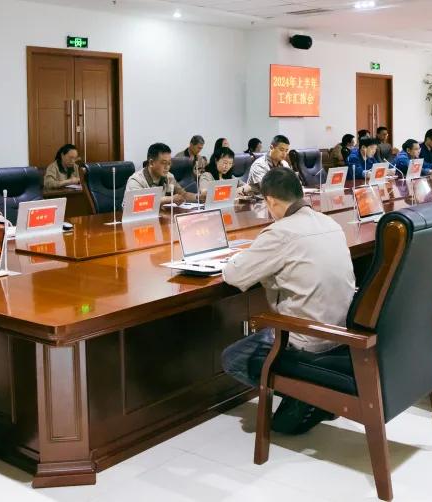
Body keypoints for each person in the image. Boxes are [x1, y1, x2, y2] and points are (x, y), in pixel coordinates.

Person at [220, 167, 356, 435]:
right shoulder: (330, 223)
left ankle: (307, 394)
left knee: (233, 358)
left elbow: (235, 275)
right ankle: (315, 396)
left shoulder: (280, 232)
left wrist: (235, 258)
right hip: (341, 334)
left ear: (270, 201)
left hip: (306, 339)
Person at [127, 142, 197, 205]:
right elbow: (136, 203)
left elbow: (183, 194)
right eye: (164, 163)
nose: (167, 167)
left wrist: (198, 197)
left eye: (169, 163)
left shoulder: (169, 177)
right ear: (151, 163)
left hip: (162, 214)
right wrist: (167, 199)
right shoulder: (136, 180)